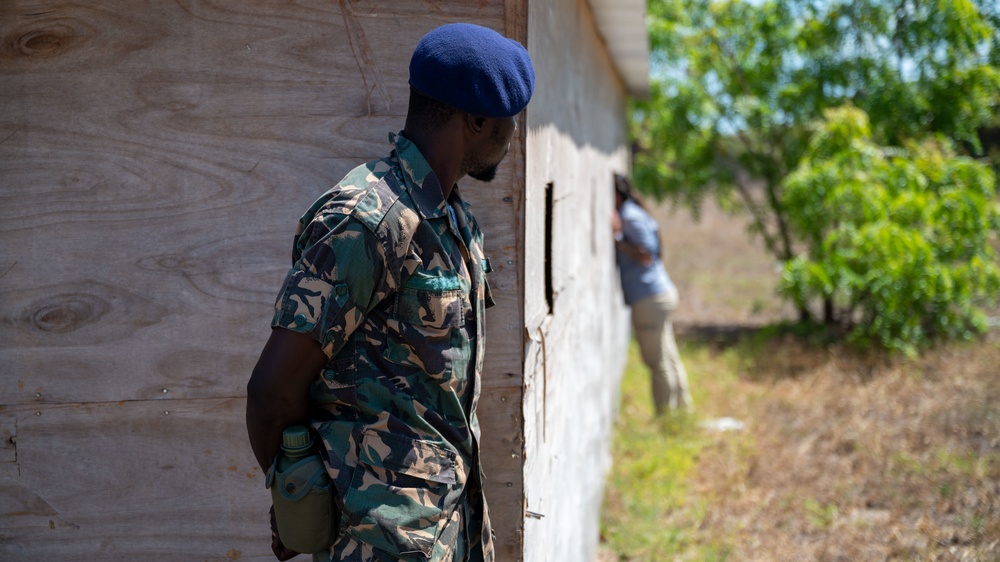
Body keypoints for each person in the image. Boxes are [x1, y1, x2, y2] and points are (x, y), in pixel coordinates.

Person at [246, 23, 535, 562]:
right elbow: (272, 392)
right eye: (508, 120)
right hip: (376, 540)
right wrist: (297, 502)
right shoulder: (369, 219)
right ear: (476, 120)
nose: (512, 134)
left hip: (448, 528)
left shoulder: (451, 219)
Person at [611, 175, 693, 414]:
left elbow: (647, 255)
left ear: (617, 195)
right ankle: (683, 411)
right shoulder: (633, 213)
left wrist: (617, 239)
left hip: (649, 298)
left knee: (656, 362)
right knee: (668, 356)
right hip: (657, 294)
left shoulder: (629, 217)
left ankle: (666, 417)